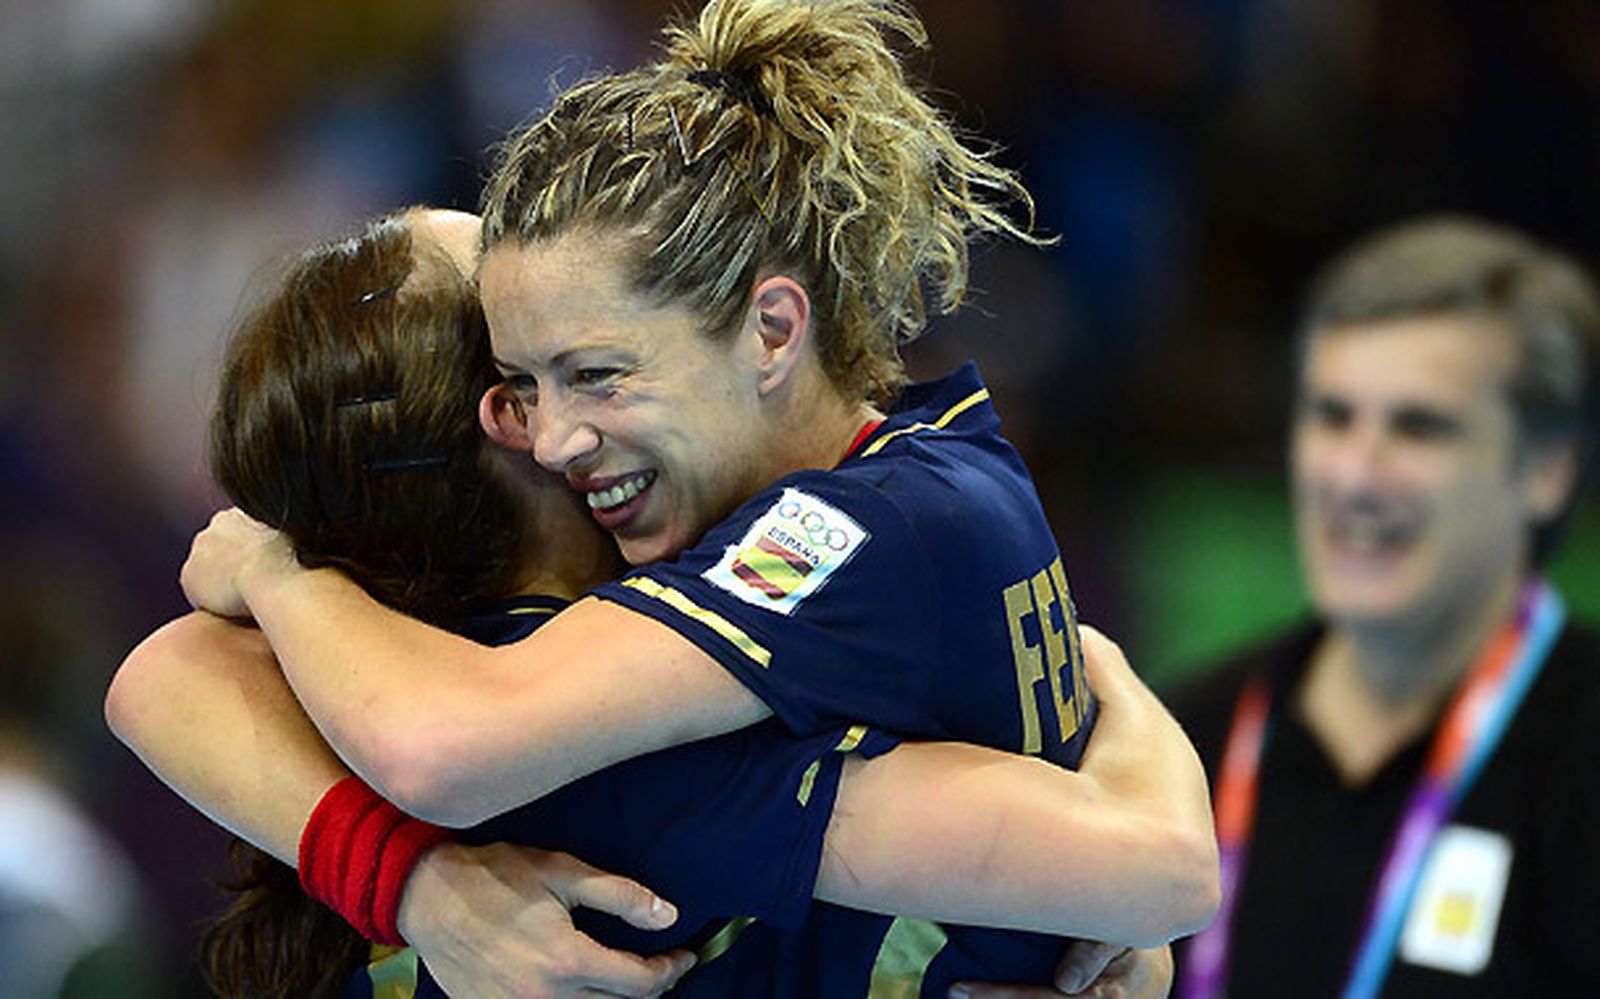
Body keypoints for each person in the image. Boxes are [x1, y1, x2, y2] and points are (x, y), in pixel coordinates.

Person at [119, 0, 1219, 994]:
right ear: (482, 446)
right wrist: (1113, 709)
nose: (558, 430)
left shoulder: (825, 541)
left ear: (773, 330)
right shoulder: (921, 480)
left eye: (594, 374)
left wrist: (274, 567)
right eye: (519, 385)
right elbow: (1153, 867)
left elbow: (201, 682)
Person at [1167, 215, 1600, 998]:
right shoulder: (1183, 741)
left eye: (1419, 427)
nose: (1356, 474)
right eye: (1332, 416)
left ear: (1547, 471)